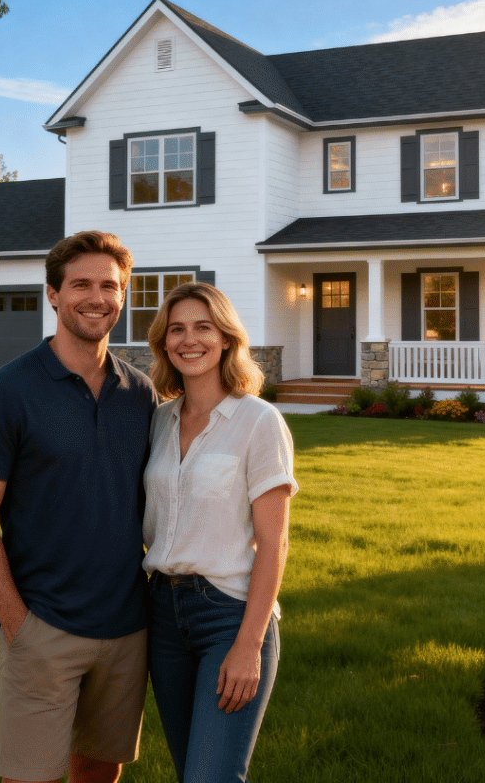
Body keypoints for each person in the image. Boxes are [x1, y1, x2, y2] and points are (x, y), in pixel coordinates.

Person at [0, 230, 156, 783]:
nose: (96, 297)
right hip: (44, 626)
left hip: (127, 626)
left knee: (97, 769)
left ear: (125, 294)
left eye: (109, 285)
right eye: (80, 284)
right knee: (29, 777)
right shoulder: (5, 393)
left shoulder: (140, 393)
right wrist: (18, 623)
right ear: (53, 294)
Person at [142, 281, 297, 783]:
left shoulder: (259, 422)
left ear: (226, 338)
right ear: (165, 342)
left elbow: (274, 545)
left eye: (203, 328)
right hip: (162, 615)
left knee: (210, 776)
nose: (190, 340)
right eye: (177, 329)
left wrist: (249, 644)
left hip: (228, 614)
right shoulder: (159, 422)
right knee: (192, 771)